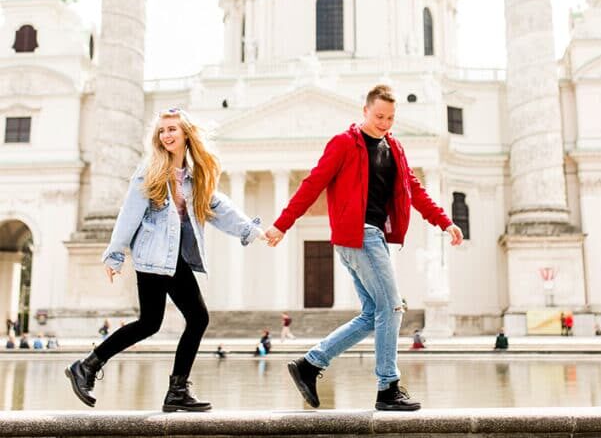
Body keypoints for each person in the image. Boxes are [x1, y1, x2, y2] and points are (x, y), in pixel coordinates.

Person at [265, 84, 463, 411]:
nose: (385, 122)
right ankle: (388, 387)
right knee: (393, 307)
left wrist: (444, 222)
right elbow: (312, 184)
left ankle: (310, 364)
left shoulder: (395, 148)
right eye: (379, 115)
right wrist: (283, 224)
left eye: (390, 117)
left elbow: (414, 191)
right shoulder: (344, 143)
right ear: (365, 111)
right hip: (358, 234)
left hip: (375, 237)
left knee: (374, 313)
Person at [65, 107, 265, 412]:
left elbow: (217, 206)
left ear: (186, 133)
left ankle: (96, 368)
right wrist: (115, 254)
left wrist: (249, 230)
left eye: (172, 129)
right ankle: (161, 386)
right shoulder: (151, 169)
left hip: (173, 258)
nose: (166, 135)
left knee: (158, 322)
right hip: (152, 256)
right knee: (186, 319)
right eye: (162, 130)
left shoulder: (194, 176)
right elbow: (129, 212)